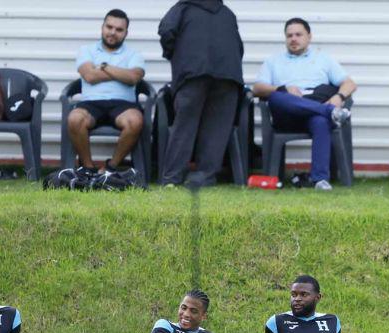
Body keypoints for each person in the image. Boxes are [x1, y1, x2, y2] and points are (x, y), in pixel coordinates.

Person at [250, 18, 357, 191]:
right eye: (289, 35)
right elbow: (257, 88)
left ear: (309, 37)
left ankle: (319, 180)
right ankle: (330, 111)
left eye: (298, 34)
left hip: (313, 111)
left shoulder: (323, 59)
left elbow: (350, 84)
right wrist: (282, 88)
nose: (293, 39)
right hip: (286, 115)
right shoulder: (273, 61)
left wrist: (338, 96)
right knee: (277, 97)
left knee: (321, 121)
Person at [158, 0, 244, 188]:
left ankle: (172, 178)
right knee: (216, 130)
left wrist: (174, 54)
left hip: (193, 73)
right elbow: (239, 47)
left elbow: (166, 31)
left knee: (184, 127)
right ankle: (204, 177)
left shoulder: (182, 8)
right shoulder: (227, 13)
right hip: (228, 76)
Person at [66, 9, 146, 179]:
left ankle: (111, 167)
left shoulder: (134, 54)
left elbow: (133, 78)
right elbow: (89, 76)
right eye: (109, 27)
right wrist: (120, 73)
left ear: (126, 33)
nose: (112, 32)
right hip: (91, 103)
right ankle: (88, 169)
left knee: (135, 121)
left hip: (123, 105)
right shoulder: (86, 50)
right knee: (74, 119)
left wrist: (104, 67)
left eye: (119, 29)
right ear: (102, 27)